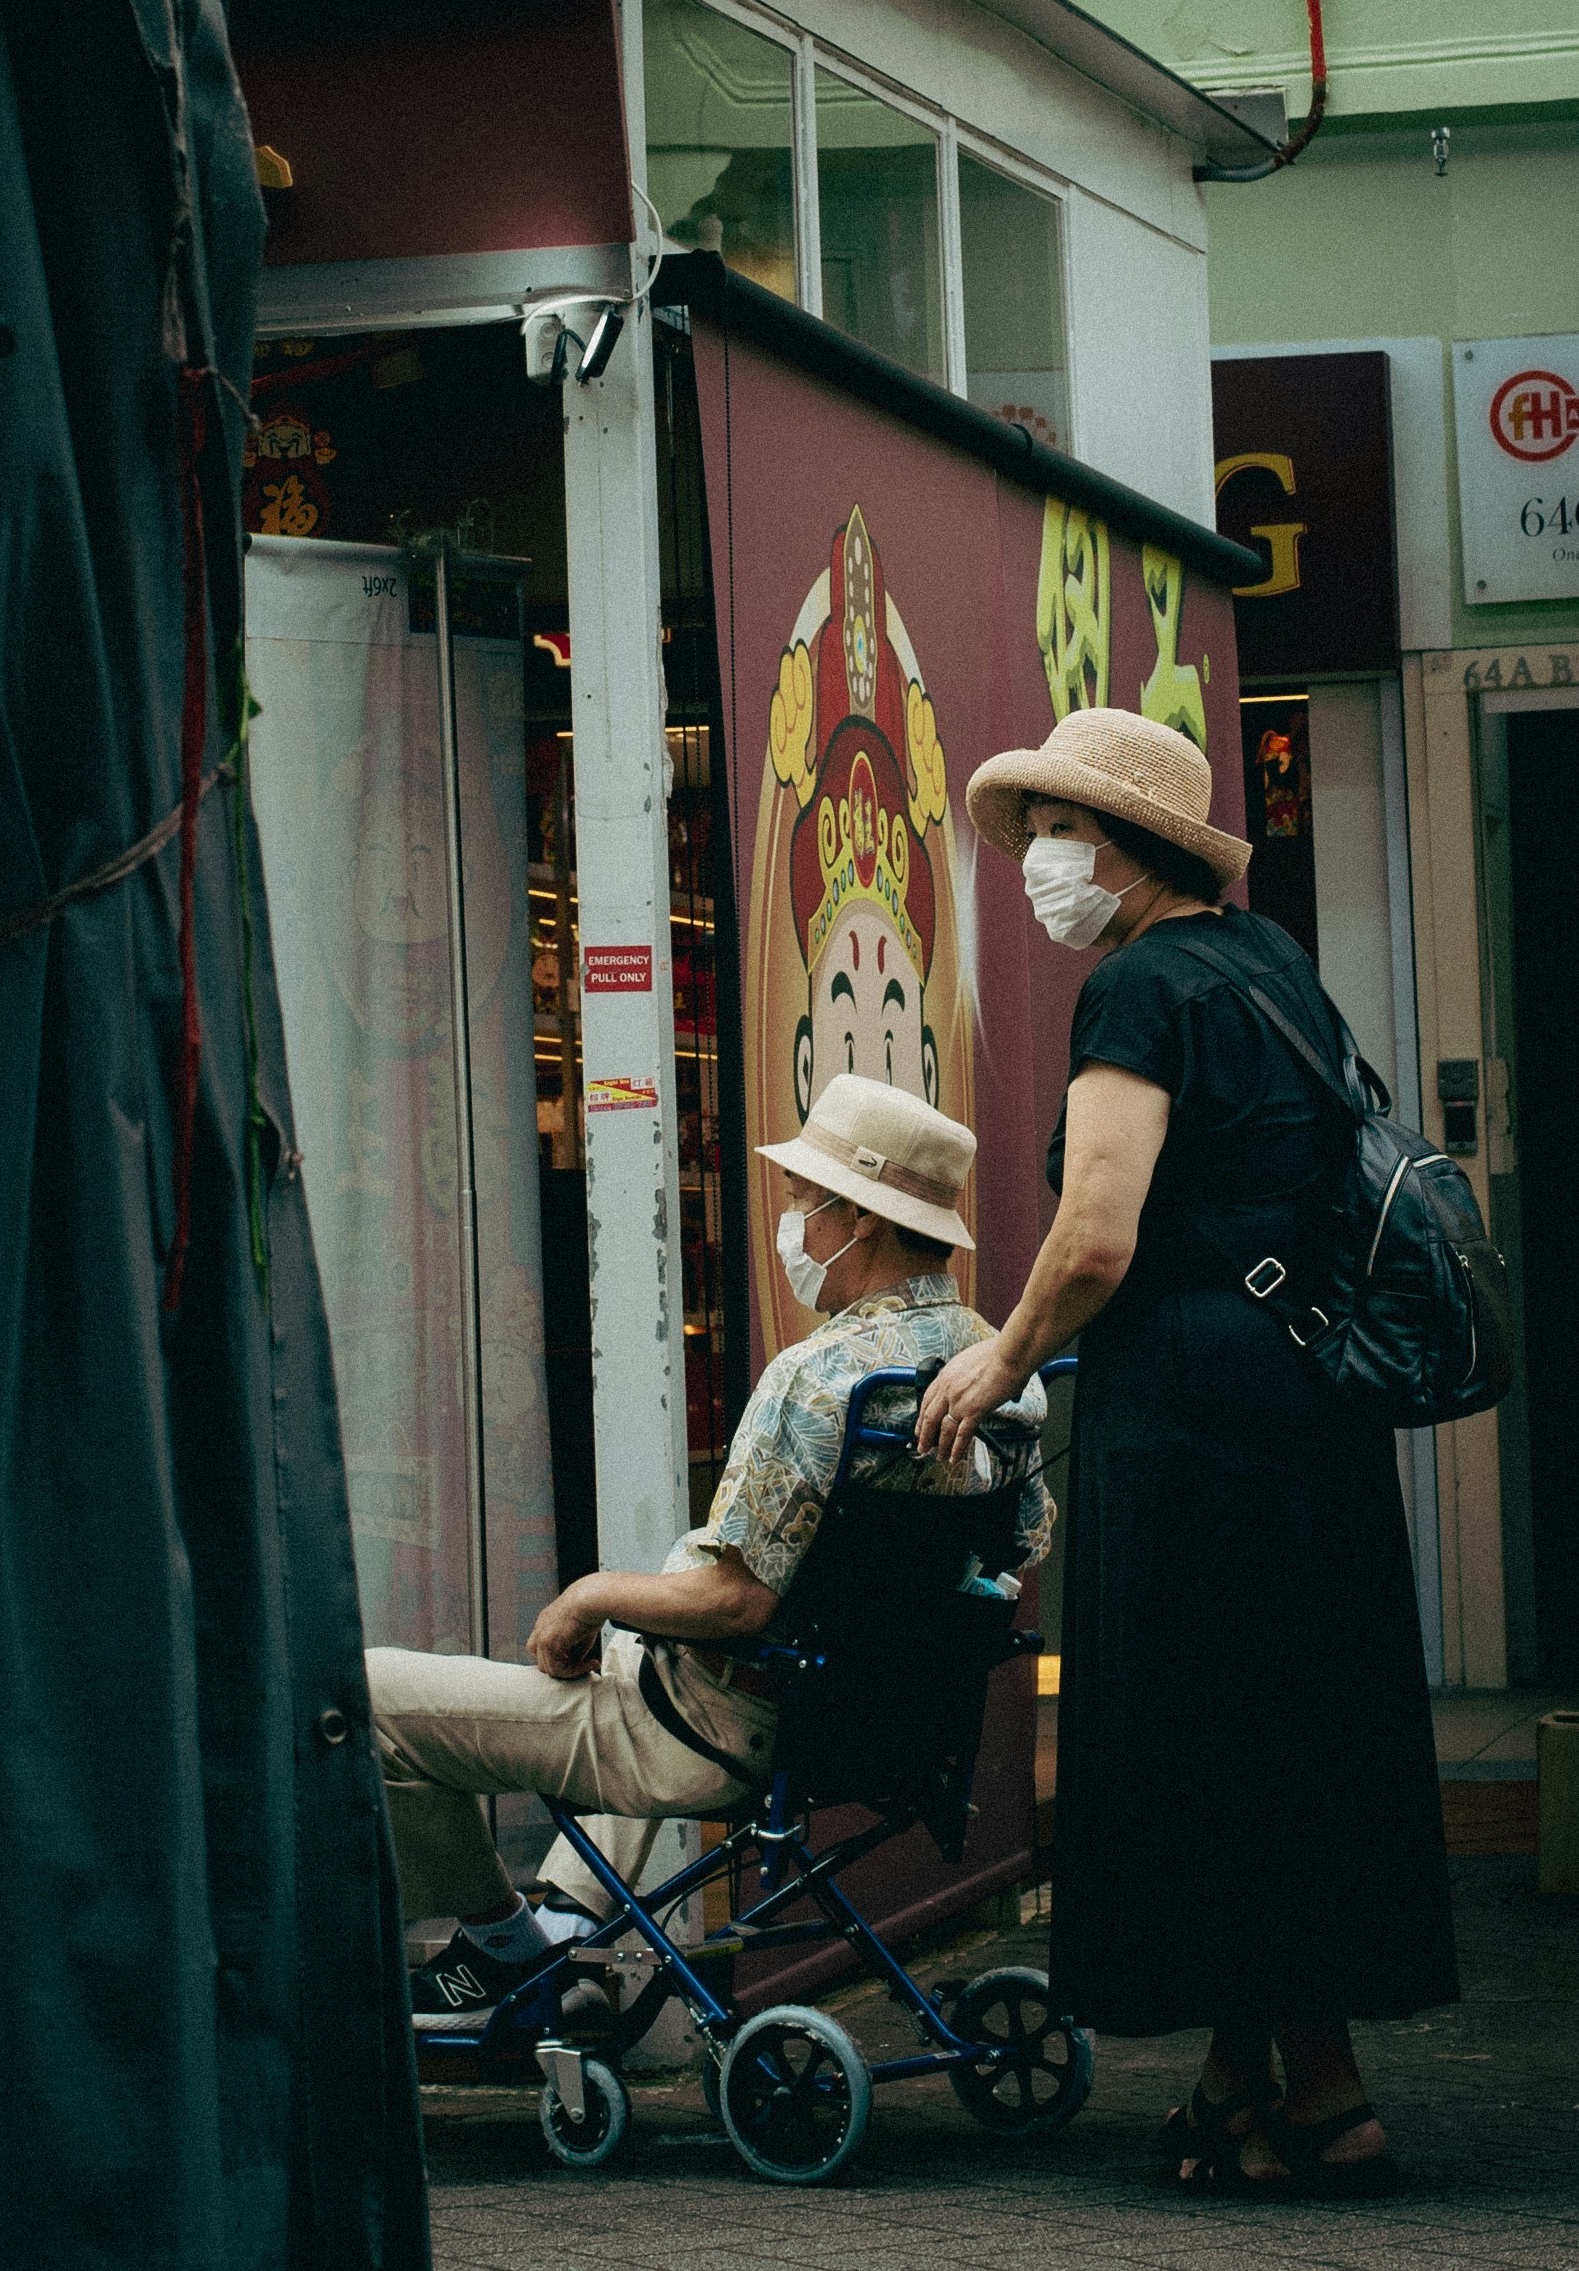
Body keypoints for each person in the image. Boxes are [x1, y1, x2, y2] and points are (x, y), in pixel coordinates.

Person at [920, 705, 1452, 2202]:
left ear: (1123, 845)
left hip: (1193, 1406)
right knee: (1296, 1729)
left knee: (1198, 1730)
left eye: (1054, 836)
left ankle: (1314, 2095)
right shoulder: (1271, 963)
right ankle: (1269, 2078)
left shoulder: (1140, 992)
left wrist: (1002, 1354)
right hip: (1310, 1397)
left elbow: (1097, 1233)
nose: (1037, 865)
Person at [371, 1075, 1050, 2024]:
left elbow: (739, 1606)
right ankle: (569, 1927)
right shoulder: (999, 1375)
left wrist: (590, 1592)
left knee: (366, 1694)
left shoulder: (816, 1381)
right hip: (874, 1721)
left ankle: (497, 1944)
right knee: (629, 1648)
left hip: (712, 1725)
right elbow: (1020, 1544)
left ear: (857, 1218)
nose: (795, 1228)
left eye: (805, 1206)